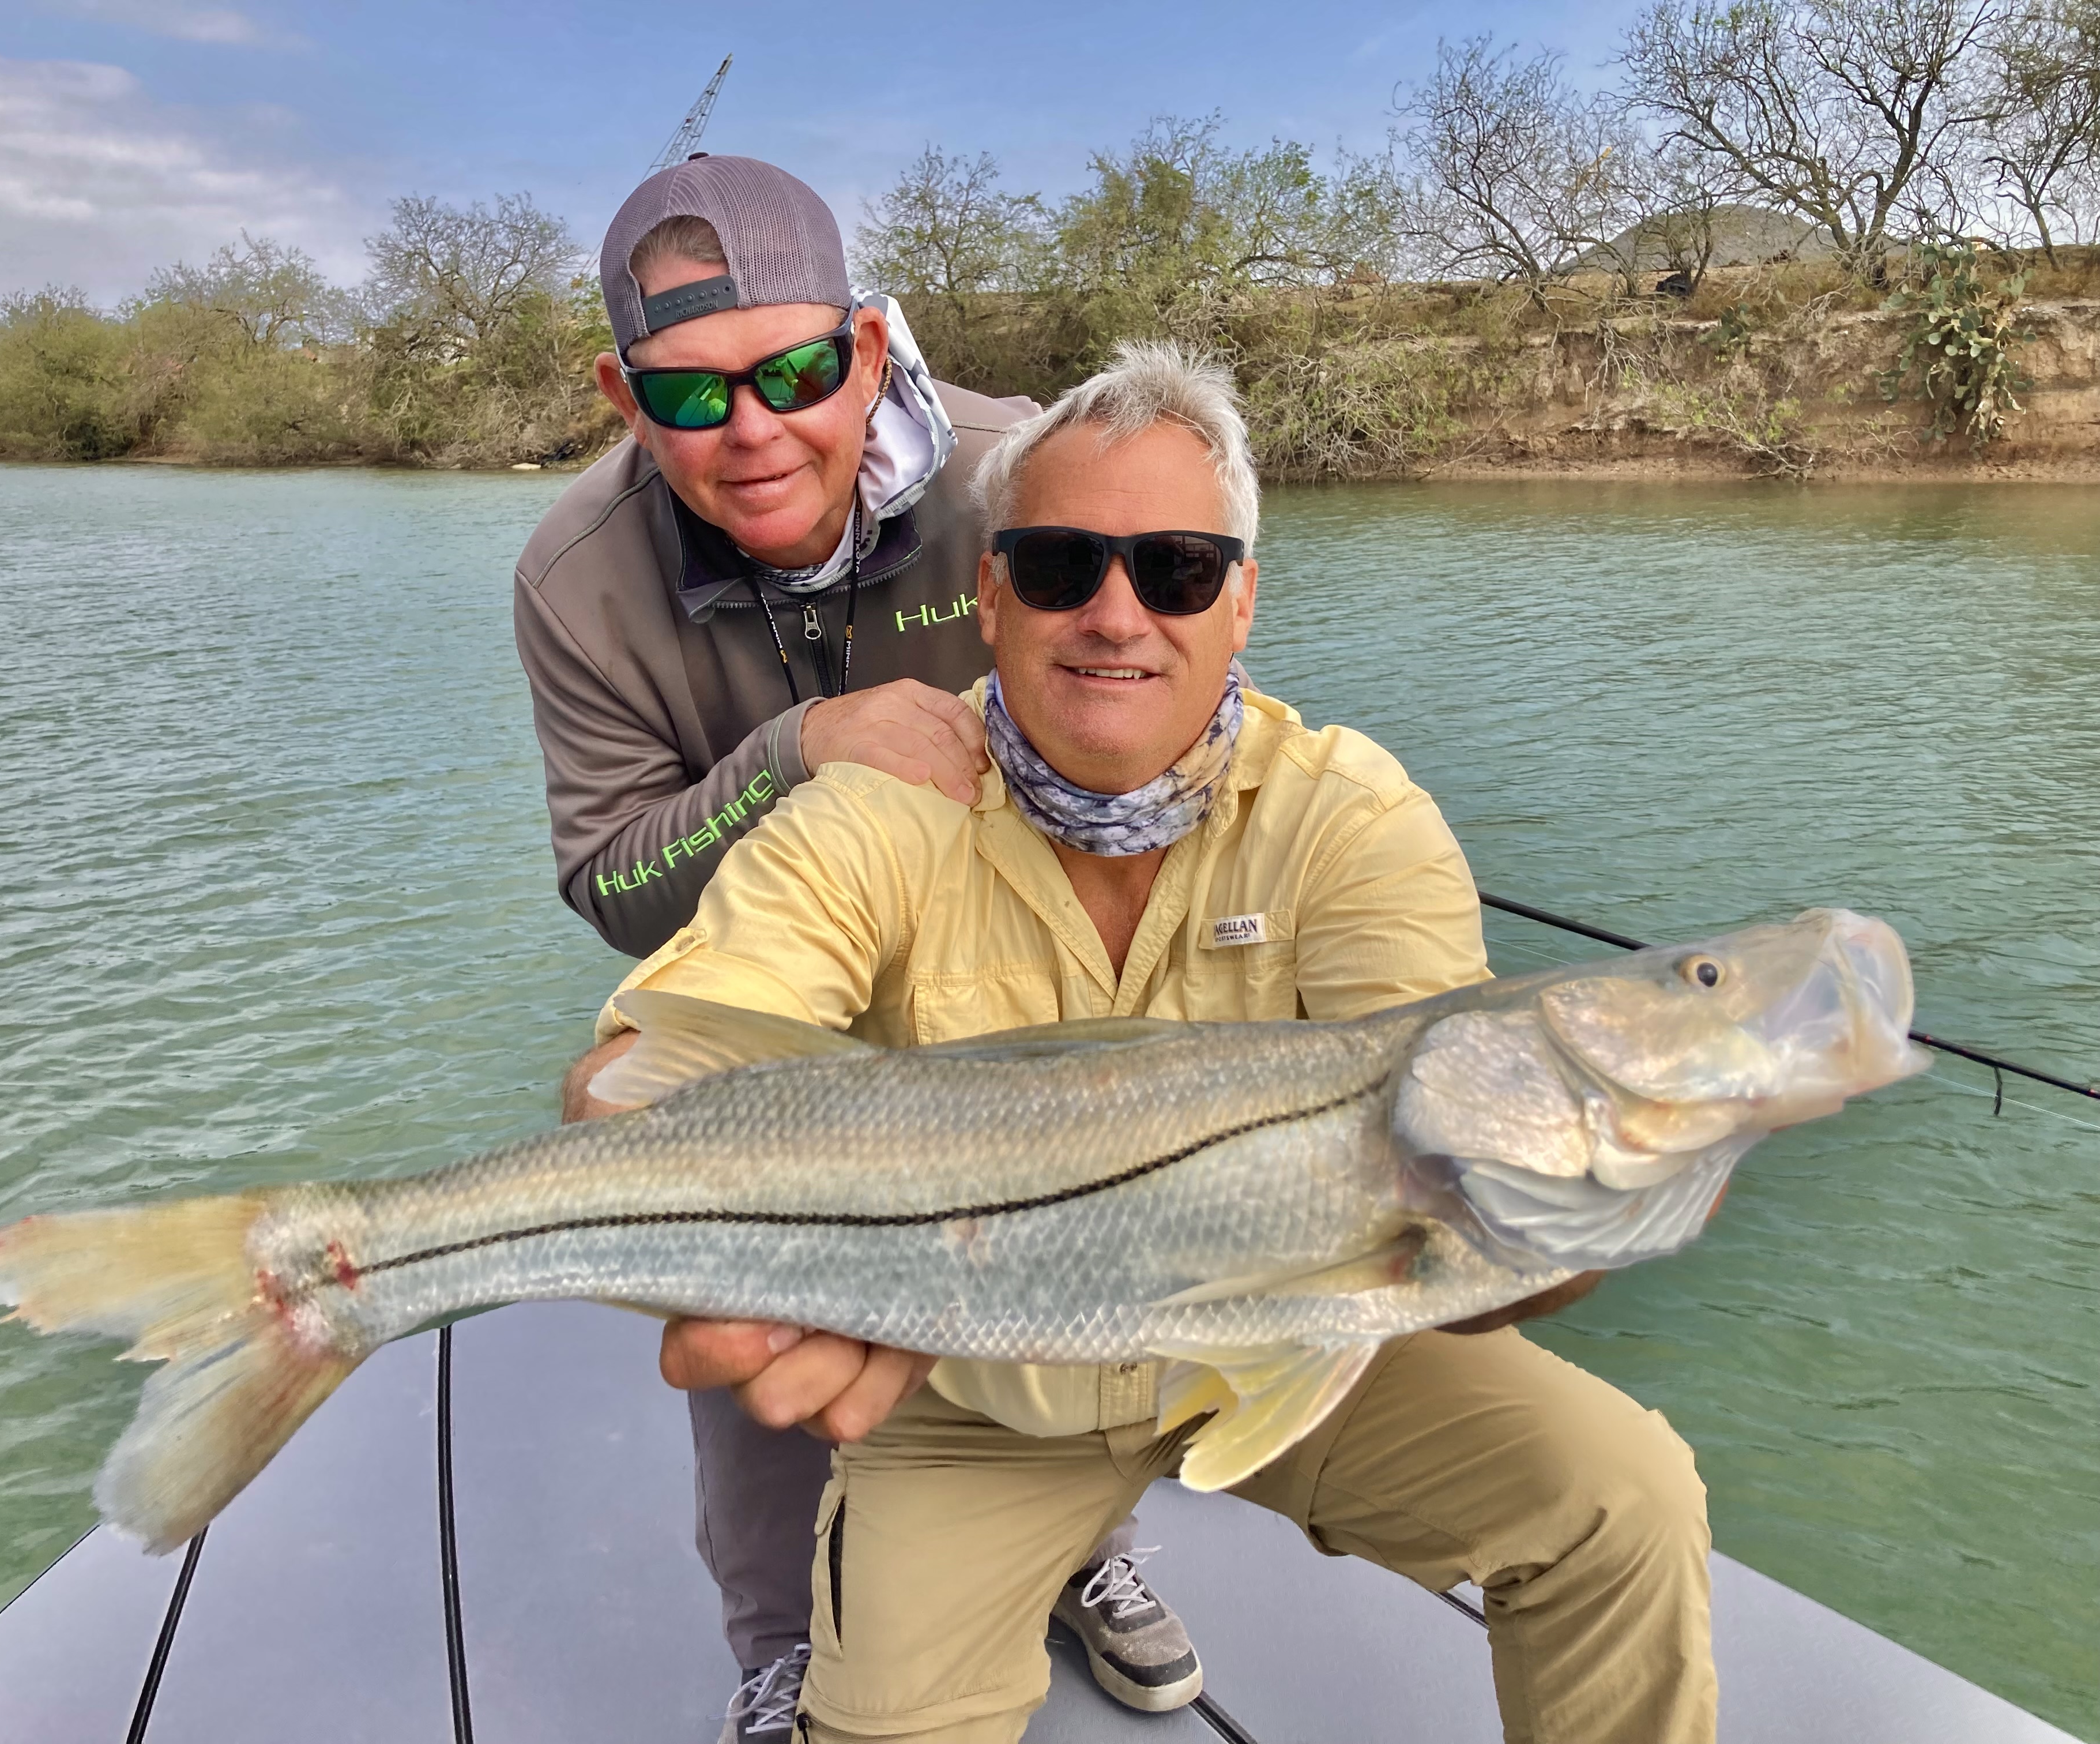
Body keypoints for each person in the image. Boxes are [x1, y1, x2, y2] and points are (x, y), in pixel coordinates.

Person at [564, 341, 1717, 1744]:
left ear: (1241, 605)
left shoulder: (1352, 816)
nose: (1116, 615)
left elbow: (1455, 1204)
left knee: (1623, 1497)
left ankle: (1091, 1554)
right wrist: (630, 1134)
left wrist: (1560, 1211)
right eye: (1059, 567)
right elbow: (646, 1066)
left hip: (1295, 1344)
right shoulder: (870, 813)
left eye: (1175, 570)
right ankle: (1042, 1554)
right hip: (965, 1384)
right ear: (988, 598)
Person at [511, 157, 1199, 1740]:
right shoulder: (573, 578)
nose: (752, 429)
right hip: (771, 996)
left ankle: (1085, 1550)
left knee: (1078, 1256)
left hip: (1016, 965)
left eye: (800, 371)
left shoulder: (1030, 470)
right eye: (690, 395)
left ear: (872, 348)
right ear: (624, 396)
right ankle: (778, 1642)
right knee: (751, 1297)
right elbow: (616, 885)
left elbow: (1158, 693)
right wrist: (796, 749)